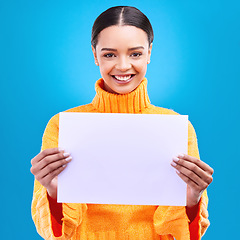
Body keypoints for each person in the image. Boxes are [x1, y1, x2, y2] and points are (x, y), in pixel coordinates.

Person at [30, 6, 214, 240]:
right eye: (110, 54)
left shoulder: (176, 127)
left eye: (135, 54)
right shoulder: (62, 125)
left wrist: (192, 198)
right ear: (95, 55)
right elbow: (54, 233)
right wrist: (54, 191)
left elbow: (183, 235)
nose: (123, 66)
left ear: (149, 52)